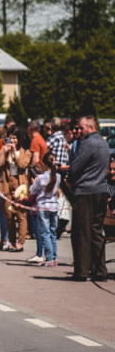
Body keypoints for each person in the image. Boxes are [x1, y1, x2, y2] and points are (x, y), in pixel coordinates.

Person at [66, 115, 109, 282]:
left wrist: (70, 178)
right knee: (97, 232)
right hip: (101, 190)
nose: (79, 130)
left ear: (90, 127)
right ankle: (99, 270)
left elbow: (76, 166)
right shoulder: (104, 143)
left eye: (82, 127)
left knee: (81, 232)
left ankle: (81, 271)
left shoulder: (88, 143)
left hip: (85, 191)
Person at [0, 129, 31, 251]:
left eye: (15, 138)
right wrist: (3, 152)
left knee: (21, 215)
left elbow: (22, 165)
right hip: (6, 183)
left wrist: (15, 154)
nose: (12, 141)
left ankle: (20, 242)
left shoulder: (25, 152)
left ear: (20, 139)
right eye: (10, 138)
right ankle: (11, 241)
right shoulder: (4, 150)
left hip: (20, 184)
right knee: (9, 216)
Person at [27, 151, 61, 266]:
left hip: (43, 207)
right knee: (52, 232)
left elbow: (32, 191)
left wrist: (33, 183)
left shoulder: (40, 178)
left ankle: (49, 258)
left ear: (44, 163)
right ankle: (54, 257)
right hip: (54, 206)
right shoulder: (58, 176)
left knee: (45, 233)